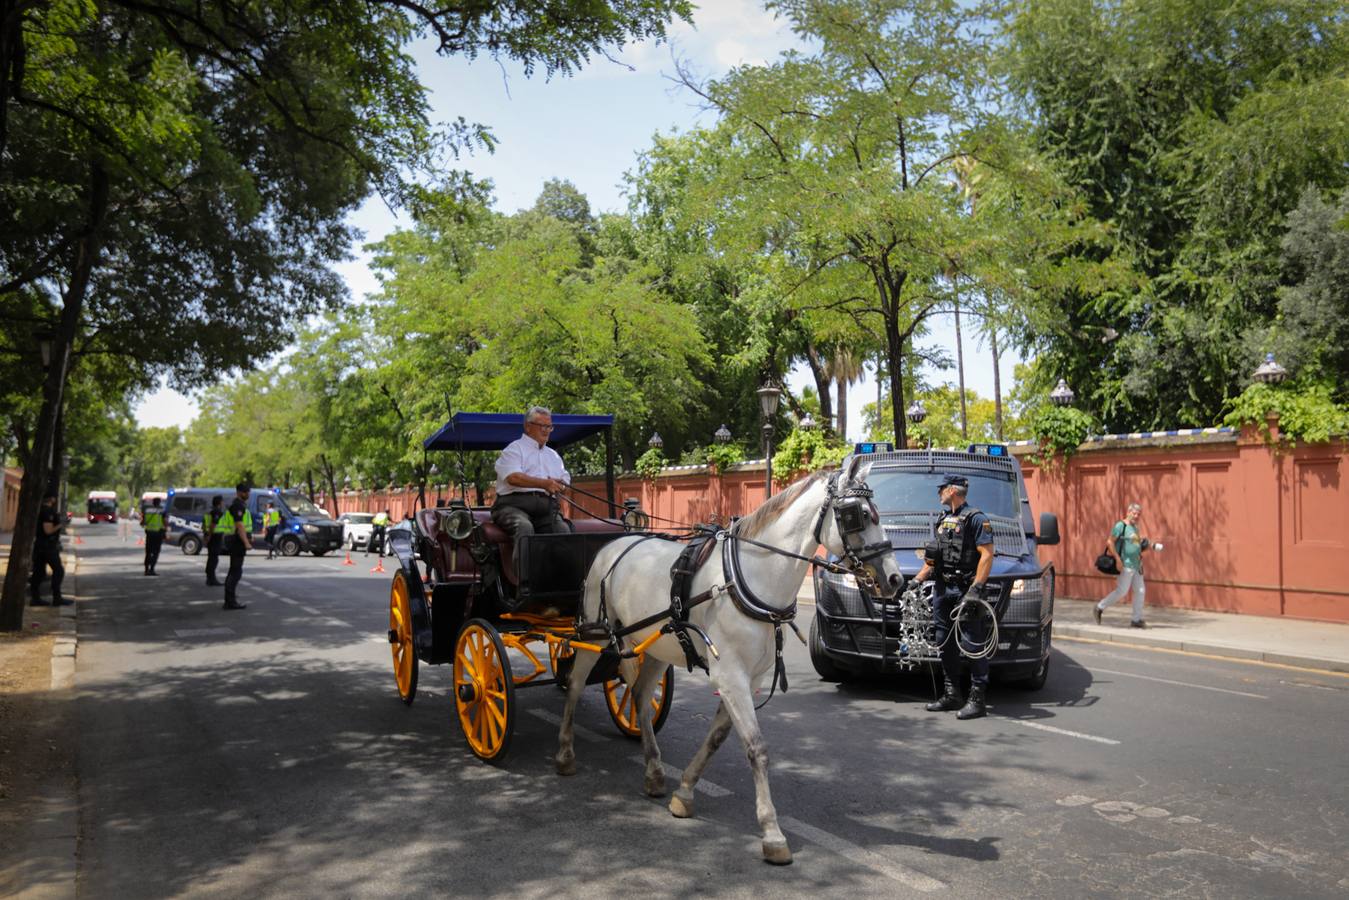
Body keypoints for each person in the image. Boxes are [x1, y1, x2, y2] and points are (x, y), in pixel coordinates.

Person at [914, 473, 995, 720]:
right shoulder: (943, 518)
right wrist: (916, 580)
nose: (938, 493)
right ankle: (952, 695)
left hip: (964, 590)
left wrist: (976, 589)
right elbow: (933, 557)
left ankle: (977, 700)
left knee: (972, 645)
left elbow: (987, 555)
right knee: (943, 642)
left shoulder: (976, 519)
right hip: (942, 588)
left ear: (952, 490)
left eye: (941, 489)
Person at [490, 405, 570, 543]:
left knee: (562, 530)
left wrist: (560, 486)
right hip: (512, 507)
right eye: (542, 426)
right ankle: (524, 565)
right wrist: (545, 483)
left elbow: (565, 482)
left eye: (549, 427)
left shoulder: (553, 456)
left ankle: (558, 565)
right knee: (524, 528)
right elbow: (513, 477)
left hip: (546, 510)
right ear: (528, 426)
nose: (547, 431)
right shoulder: (514, 449)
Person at [1094, 502, 1149, 628]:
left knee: (1140, 591)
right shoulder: (1120, 526)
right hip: (1126, 564)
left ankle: (1136, 620)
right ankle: (1099, 607)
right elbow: (1110, 542)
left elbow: (1136, 546)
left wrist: (1143, 547)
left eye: (1138, 514)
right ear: (1128, 512)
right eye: (1134, 513)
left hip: (1137, 565)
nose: (1136, 516)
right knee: (1122, 591)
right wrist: (1118, 560)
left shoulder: (1136, 528)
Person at [29, 492, 68, 606]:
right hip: (47, 546)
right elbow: (48, 530)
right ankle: (57, 597)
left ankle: (35, 598)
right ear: (51, 498)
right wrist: (61, 524)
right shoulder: (47, 511)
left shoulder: (41, 510)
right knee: (58, 570)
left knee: (39, 572)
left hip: (41, 545)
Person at [220, 483, 253, 610]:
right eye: (245, 492)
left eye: (248, 491)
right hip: (236, 541)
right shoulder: (238, 506)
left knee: (234, 571)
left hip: (234, 540)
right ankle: (230, 601)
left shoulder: (238, 505)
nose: (248, 494)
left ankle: (230, 599)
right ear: (239, 492)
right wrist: (246, 542)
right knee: (235, 572)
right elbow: (239, 525)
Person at [203, 495, 224, 586]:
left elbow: (204, 525)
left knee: (211, 557)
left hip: (211, 536)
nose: (223, 503)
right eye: (222, 501)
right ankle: (212, 579)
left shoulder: (209, 512)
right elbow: (213, 525)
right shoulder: (217, 512)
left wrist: (206, 535)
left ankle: (209, 578)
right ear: (219, 502)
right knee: (213, 559)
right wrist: (209, 536)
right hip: (215, 537)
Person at [142, 496, 165, 576]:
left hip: (149, 533)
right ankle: (152, 569)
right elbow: (164, 522)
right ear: (159, 503)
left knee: (148, 552)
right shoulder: (161, 510)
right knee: (155, 552)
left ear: (153, 502)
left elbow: (143, 521)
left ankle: (146, 570)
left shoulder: (147, 510)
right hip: (158, 534)